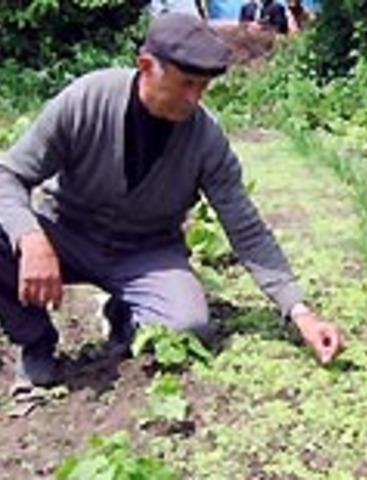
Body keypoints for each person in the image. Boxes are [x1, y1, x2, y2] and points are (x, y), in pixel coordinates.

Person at [0, 12, 345, 388]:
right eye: (186, 84)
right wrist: (30, 238)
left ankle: (126, 313)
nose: (195, 99)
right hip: (68, 233)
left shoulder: (206, 139)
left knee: (187, 326)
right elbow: (8, 175)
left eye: (203, 87)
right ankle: (35, 342)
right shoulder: (87, 100)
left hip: (144, 250)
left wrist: (299, 311)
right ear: (147, 66)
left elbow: (246, 228)